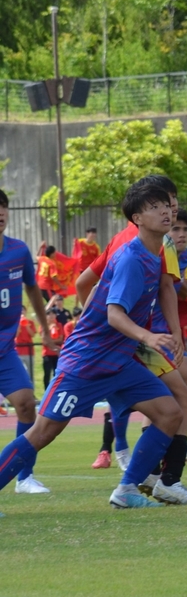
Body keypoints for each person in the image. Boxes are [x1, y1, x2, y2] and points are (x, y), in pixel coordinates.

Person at [0, 180, 185, 513]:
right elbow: (114, 315)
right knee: (43, 433)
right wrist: (148, 337)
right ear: (137, 218)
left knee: (170, 413)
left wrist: (171, 333)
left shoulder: (157, 251)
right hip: (86, 362)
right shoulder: (131, 257)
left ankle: (127, 489)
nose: (165, 211)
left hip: (120, 360)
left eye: (167, 204)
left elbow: (164, 291)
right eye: (154, 206)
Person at [0, 190, 57, 496]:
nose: (0, 213)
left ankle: (24, 477)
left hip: (4, 350)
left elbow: (33, 290)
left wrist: (46, 329)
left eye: (3, 207)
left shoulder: (18, 251)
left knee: (25, 403)